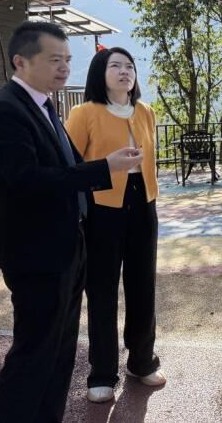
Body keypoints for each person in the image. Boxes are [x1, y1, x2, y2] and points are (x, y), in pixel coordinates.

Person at [0, 22, 142, 422]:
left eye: (67, 59)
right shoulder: (3, 110)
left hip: (67, 245)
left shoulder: (44, 105)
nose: (65, 67)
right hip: (34, 252)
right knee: (33, 354)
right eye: (54, 60)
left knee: (61, 352)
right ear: (21, 61)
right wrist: (104, 168)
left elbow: (65, 166)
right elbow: (26, 180)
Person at [65, 47, 166, 403]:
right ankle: (102, 372)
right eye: (116, 66)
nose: (125, 71)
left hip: (143, 202)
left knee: (143, 284)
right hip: (102, 206)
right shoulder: (84, 113)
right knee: (102, 289)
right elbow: (70, 168)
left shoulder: (146, 111)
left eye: (130, 66)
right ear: (100, 72)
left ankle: (142, 360)